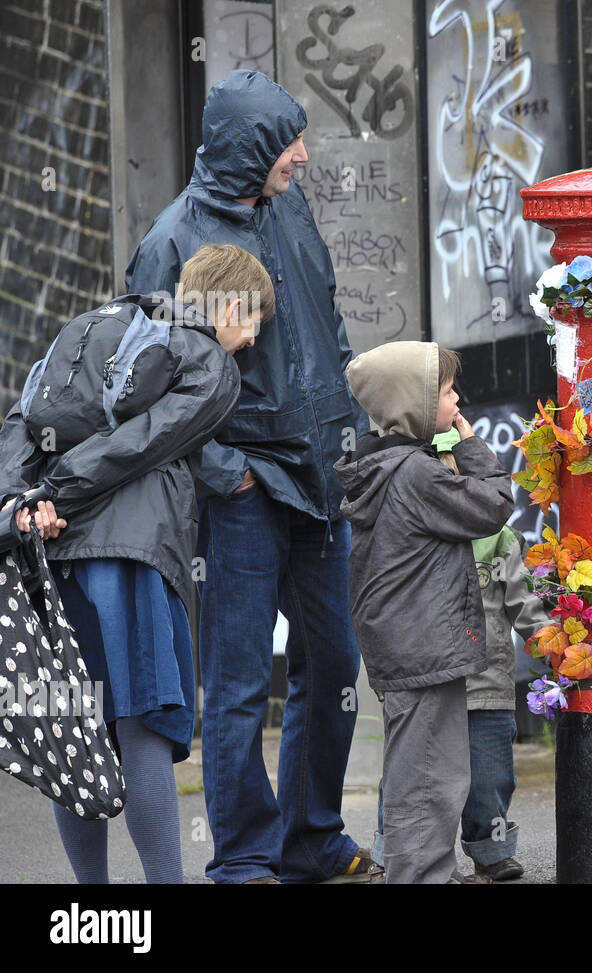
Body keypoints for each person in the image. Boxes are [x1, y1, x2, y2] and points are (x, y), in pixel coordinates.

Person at [124, 69, 371, 883]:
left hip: (318, 474)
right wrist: (227, 473)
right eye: (285, 142)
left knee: (332, 665)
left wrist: (347, 428)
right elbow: (144, 388)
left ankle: (311, 838)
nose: (302, 155)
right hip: (244, 491)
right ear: (248, 149)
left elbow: (326, 319)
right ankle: (245, 860)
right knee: (235, 684)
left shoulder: (287, 208)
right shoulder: (170, 242)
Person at [0, 243, 268, 882]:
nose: (253, 341)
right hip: (131, 560)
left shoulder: (102, 329)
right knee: (141, 723)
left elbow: (22, 422)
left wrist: (20, 505)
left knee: (75, 727)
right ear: (230, 307)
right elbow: (143, 443)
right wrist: (54, 495)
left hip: (53, 560)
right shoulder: (208, 363)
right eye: (255, 321)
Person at [334, 342, 514, 884]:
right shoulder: (415, 475)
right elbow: (493, 507)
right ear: (413, 403)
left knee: (423, 772)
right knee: (432, 781)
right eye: (444, 391)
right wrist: (472, 443)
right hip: (425, 647)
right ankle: (419, 876)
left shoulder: (384, 465)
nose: (456, 398)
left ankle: (418, 871)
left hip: (410, 645)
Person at [365, 425, 549, 883]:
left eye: (458, 477)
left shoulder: (499, 540)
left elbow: (524, 603)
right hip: (425, 684)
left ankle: (491, 850)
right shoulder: (411, 538)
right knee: (410, 774)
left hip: (486, 686)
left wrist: (552, 647)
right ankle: (394, 850)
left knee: (489, 779)